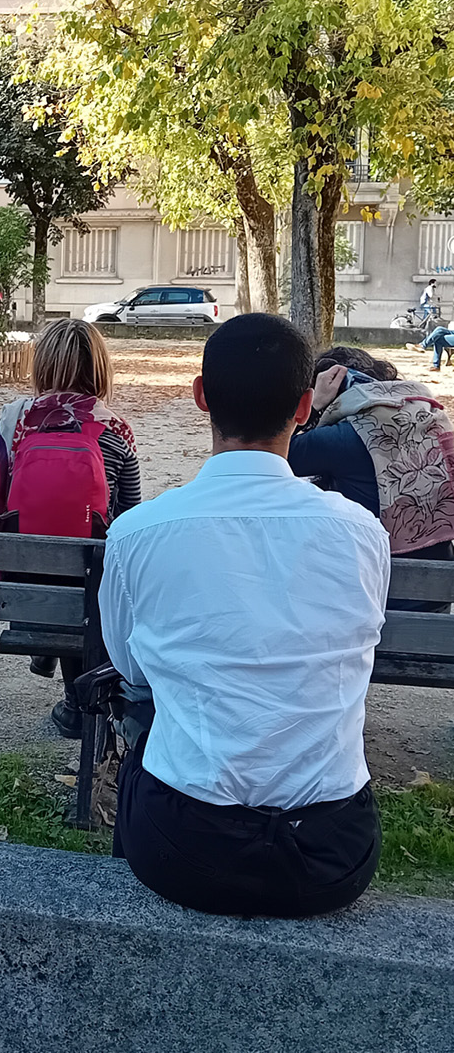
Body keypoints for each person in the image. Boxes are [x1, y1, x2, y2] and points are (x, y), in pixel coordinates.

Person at [103, 314, 389, 918]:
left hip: (184, 845)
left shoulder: (139, 533)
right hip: (335, 851)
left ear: (201, 395)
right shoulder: (361, 532)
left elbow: (131, 669)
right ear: (306, 406)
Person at [0, 318, 140, 738]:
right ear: (99, 368)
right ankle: (81, 702)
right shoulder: (116, 430)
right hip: (90, 585)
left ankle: (52, 653)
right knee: (93, 563)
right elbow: (130, 515)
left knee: (56, 567)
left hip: (26, 582)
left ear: (42, 366)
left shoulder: (15, 420)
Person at [290, 347, 454, 602]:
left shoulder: (341, 439)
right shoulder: (433, 422)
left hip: (371, 595)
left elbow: (271, 455)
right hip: (435, 592)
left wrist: (315, 405)